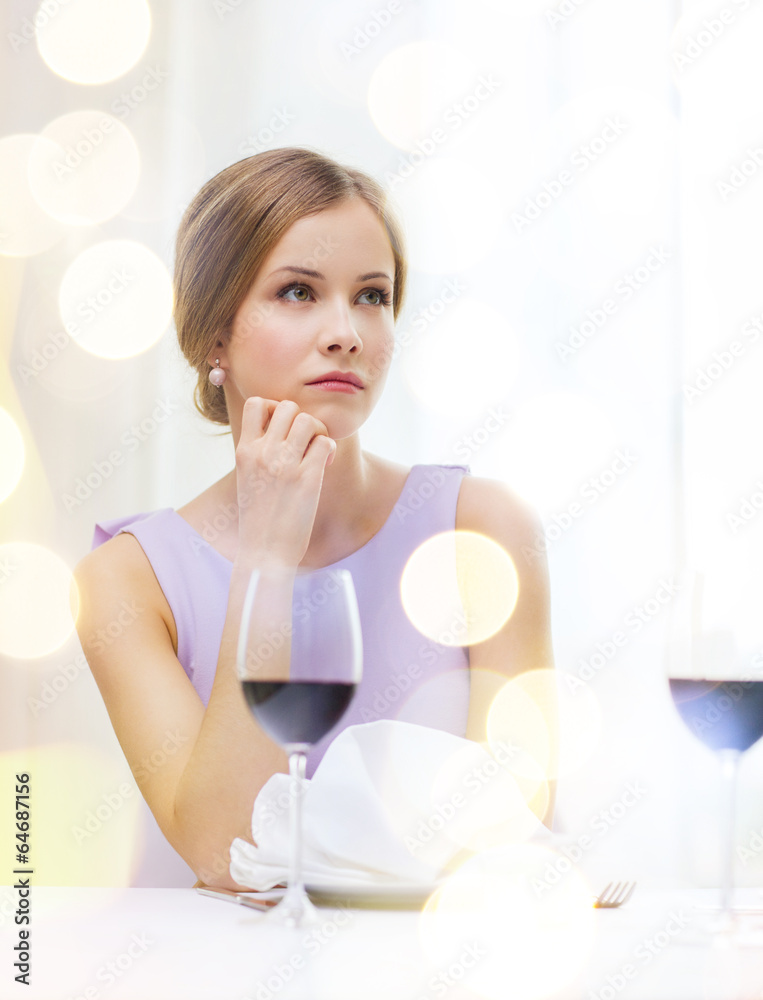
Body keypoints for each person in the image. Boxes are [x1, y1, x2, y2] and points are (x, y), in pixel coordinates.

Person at [74, 147, 554, 890]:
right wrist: (267, 556)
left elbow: (516, 821)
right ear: (214, 337)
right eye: (298, 291)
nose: (347, 332)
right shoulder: (126, 582)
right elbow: (226, 852)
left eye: (371, 295)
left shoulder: (482, 530)